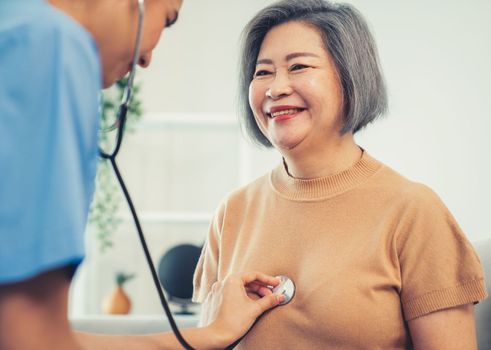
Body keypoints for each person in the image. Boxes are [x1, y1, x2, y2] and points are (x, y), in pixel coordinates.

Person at [192, 0, 488, 349]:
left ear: (350, 77)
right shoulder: (232, 212)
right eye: (263, 72)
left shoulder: (414, 211)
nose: (275, 88)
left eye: (298, 66)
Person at [0, 1, 284, 350]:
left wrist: (207, 335)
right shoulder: (49, 45)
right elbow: (30, 338)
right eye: (167, 20)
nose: (147, 58)